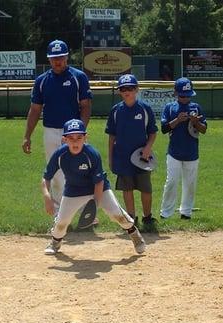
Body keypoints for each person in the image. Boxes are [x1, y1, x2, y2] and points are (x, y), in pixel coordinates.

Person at [42, 118, 146, 255]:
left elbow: (99, 182)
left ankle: (134, 234)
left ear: (85, 138)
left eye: (79, 137)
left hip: (99, 189)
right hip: (74, 190)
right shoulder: (59, 155)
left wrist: (94, 205)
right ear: (64, 140)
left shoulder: (92, 154)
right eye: (71, 138)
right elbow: (46, 178)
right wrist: (47, 198)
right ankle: (55, 242)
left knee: (117, 214)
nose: (75, 141)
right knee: (62, 222)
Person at [22, 39, 92, 214]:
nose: (57, 61)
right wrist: (27, 136)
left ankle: (86, 212)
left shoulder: (78, 77)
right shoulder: (42, 81)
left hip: (72, 133)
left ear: (67, 57)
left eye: (60, 57)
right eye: (54, 58)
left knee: (78, 169)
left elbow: (86, 105)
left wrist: (80, 131)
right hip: (51, 131)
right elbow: (35, 109)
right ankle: (60, 215)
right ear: (49, 59)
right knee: (54, 174)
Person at [105, 74, 158, 229]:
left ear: (136, 89)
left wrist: (148, 147)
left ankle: (147, 218)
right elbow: (111, 136)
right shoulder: (116, 110)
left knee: (145, 188)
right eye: (123, 88)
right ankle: (131, 218)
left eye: (130, 88)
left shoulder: (144, 109)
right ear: (120, 91)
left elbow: (153, 132)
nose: (127, 91)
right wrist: (110, 157)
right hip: (122, 156)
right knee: (127, 188)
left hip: (142, 156)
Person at [160, 77, 207, 219]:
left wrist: (195, 122)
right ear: (175, 93)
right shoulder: (170, 107)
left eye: (188, 96)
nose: (185, 99)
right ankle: (165, 213)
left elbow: (203, 129)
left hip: (192, 152)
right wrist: (178, 120)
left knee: (190, 184)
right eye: (182, 95)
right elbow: (164, 129)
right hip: (174, 152)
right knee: (171, 182)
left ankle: (186, 212)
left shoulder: (196, 107)